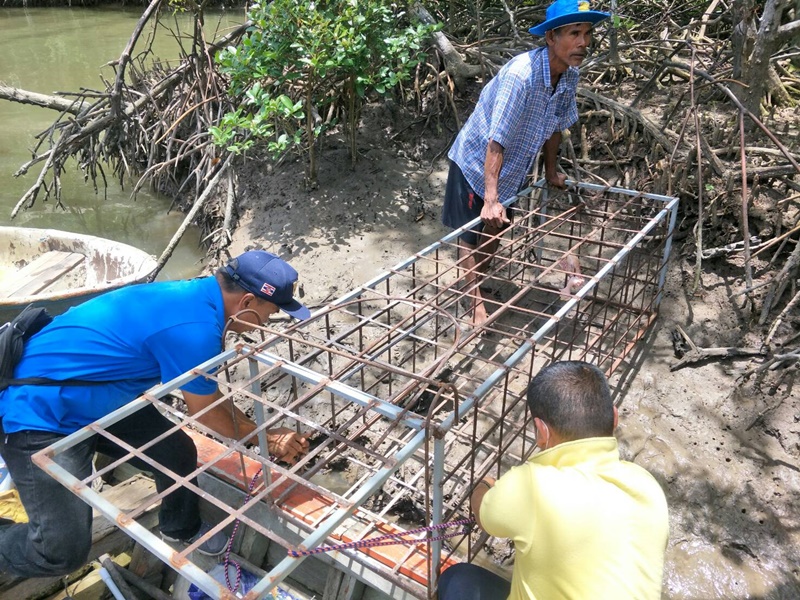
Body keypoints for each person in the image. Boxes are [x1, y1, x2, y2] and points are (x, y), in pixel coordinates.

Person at [0, 250, 312, 577]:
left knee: (176, 452)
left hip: (93, 396)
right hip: (39, 413)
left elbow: (209, 397)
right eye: (270, 312)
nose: (266, 322)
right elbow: (208, 415)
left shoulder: (192, 294)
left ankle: (179, 527)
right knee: (60, 552)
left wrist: (263, 433)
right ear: (248, 302)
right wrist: (269, 438)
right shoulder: (196, 329)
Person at [438, 361, 669, 600]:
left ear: (541, 431)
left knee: (458, 578)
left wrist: (483, 486)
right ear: (614, 417)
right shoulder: (647, 486)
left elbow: (484, 518)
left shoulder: (531, 485)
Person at [443, 0, 610, 327]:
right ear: (551, 37)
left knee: (496, 229)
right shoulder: (521, 76)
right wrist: (490, 199)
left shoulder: (568, 74)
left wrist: (550, 170)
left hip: (511, 167)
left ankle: (477, 283)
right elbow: (497, 138)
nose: (583, 43)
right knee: (470, 233)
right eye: (575, 33)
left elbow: (557, 125)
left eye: (587, 33)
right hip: (477, 162)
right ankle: (474, 303)